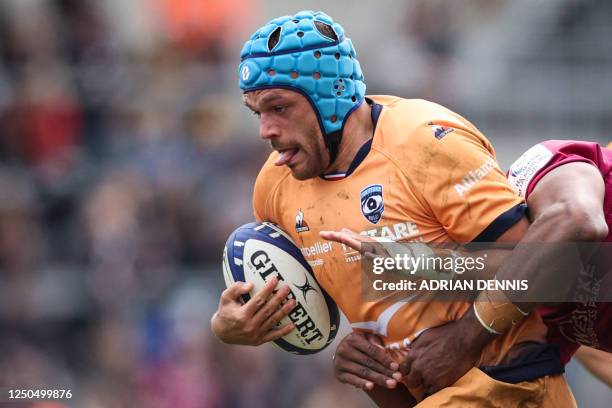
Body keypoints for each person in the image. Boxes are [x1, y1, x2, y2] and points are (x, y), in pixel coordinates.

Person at [211, 10, 576, 407]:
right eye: (257, 113)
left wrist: (457, 331)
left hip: (509, 383)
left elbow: (544, 262)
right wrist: (231, 327)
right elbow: (316, 304)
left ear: (328, 96)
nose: (265, 130)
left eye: (279, 108)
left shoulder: (427, 143)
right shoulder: (274, 187)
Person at [328, 139, 612, 396]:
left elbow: (575, 222)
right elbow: (437, 382)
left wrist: (462, 337)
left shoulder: (538, 174)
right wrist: (372, 370)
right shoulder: (533, 317)